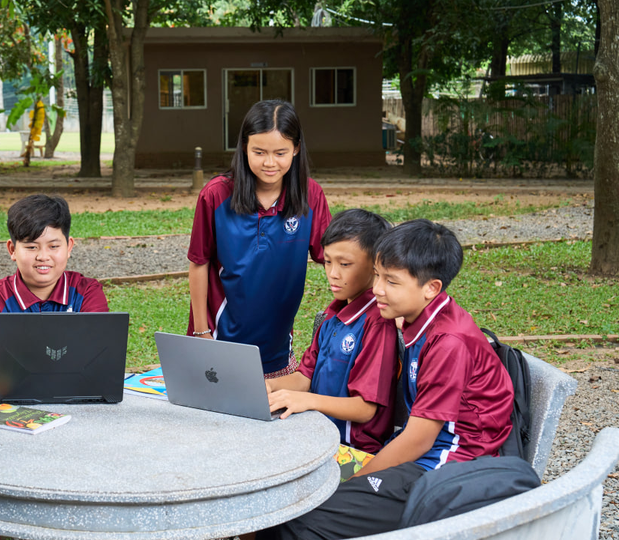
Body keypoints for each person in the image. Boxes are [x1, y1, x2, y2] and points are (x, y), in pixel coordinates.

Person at [257, 220, 514, 540]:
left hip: (450, 463)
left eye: (391, 281)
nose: (377, 289)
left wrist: (358, 479)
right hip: (418, 449)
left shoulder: (449, 342)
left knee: (303, 520)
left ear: (431, 288)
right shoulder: (418, 320)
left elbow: (420, 438)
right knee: (278, 507)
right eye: (377, 275)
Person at [187, 99, 331, 377]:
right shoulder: (216, 194)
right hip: (217, 340)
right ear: (244, 147)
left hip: (276, 349)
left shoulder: (311, 195)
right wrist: (202, 331)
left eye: (280, 152)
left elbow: (332, 257)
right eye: (259, 151)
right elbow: (199, 263)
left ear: (296, 148)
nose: (269, 163)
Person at [266, 209, 398, 455]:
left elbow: (365, 408)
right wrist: (268, 386)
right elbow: (304, 378)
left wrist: (308, 401)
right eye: (328, 261)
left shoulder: (378, 324)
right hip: (315, 437)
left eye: (345, 264)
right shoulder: (332, 316)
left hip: (353, 451)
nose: (333, 273)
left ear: (376, 266)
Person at [0, 194, 109, 358]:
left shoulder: (87, 293)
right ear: (12, 250)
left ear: (69, 246)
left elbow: (98, 352)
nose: (43, 256)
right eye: (31, 247)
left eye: (53, 246)